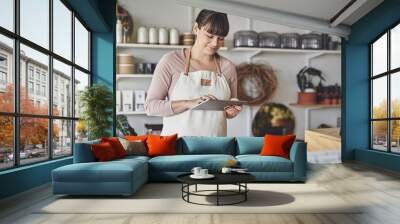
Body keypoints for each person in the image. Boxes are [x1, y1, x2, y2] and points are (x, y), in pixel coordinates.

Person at [144, 9, 241, 137]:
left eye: (221, 38)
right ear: (196, 28)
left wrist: (232, 111)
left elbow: (228, 110)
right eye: (210, 36)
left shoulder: (228, 67)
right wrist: (189, 103)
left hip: (217, 149)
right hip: (177, 149)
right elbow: (151, 107)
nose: (215, 43)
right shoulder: (171, 61)